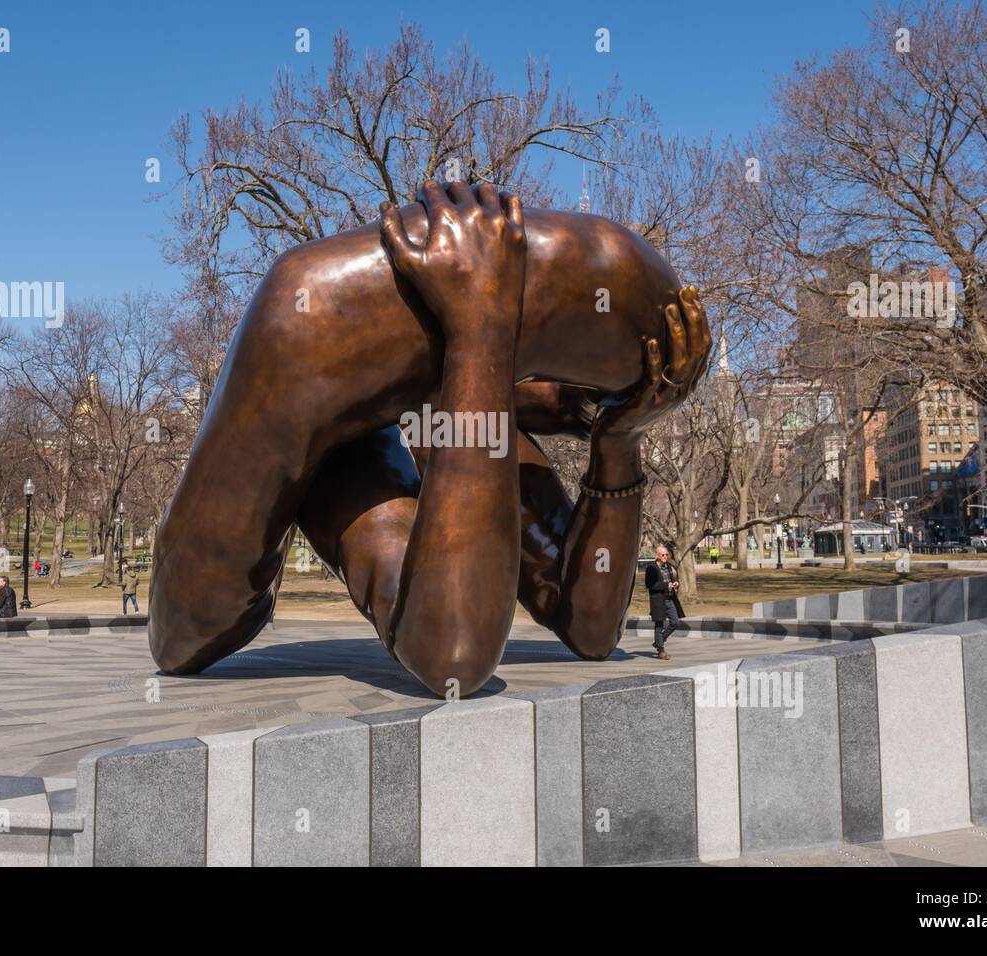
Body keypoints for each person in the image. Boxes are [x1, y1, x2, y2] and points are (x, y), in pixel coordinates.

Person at [148, 181, 711, 693]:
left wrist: (618, 441)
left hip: (397, 376)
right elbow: (453, 661)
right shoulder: (351, 456)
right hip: (297, 366)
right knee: (198, 617)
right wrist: (481, 330)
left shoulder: (465, 412)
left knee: (466, 409)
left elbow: (591, 630)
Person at [644, 545, 685, 662]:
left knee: (675, 622)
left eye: (667, 554)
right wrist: (665, 585)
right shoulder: (651, 568)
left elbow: (670, 580)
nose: (665, 557)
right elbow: (650, 585)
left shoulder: (667, 566)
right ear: (657, 555)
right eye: (663, 555)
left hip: (670, 598)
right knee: (659, 625)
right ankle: (661, 650)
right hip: (658, 600)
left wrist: (675, 583)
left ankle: (659, 641)